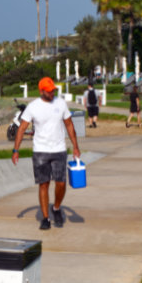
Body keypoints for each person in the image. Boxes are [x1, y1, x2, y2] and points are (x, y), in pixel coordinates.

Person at [12, 77, 82, 230]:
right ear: (41, 91)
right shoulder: (33, 107)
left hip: (59, 149)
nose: (52, 93)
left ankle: (56, 208)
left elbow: (69, 125)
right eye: (49, 91)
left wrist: (75, 146)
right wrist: (15, 150)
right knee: (43, 184)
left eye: (53, 91)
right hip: (40, 151)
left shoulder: (60, 104)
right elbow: (22, 128)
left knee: (61, 183)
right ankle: (45, 218)